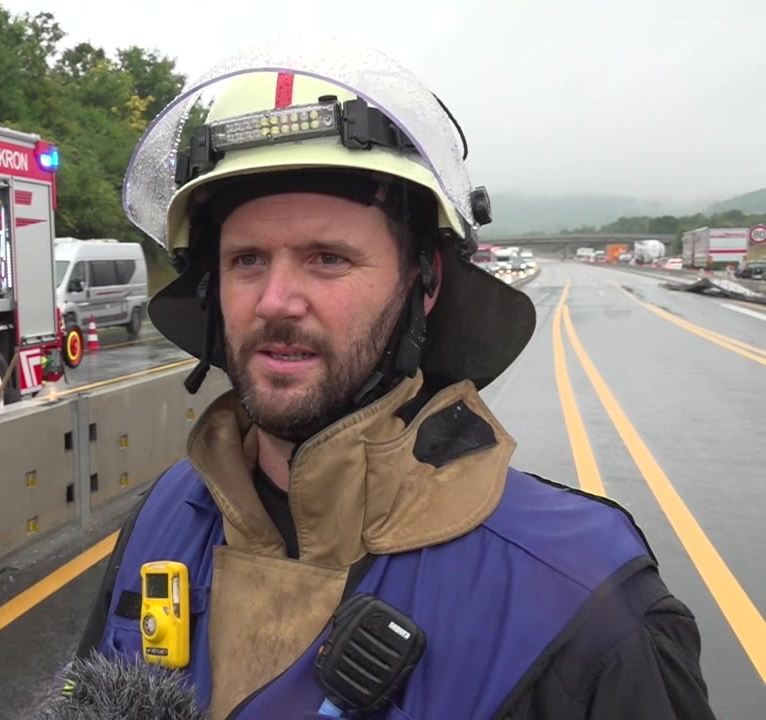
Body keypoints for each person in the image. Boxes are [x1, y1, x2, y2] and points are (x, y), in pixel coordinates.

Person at [74, 40, 714, 719]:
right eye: (248, 260)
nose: (275, 301)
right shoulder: (164, 517)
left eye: (327, 258)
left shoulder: (582, 600)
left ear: (424, 283)